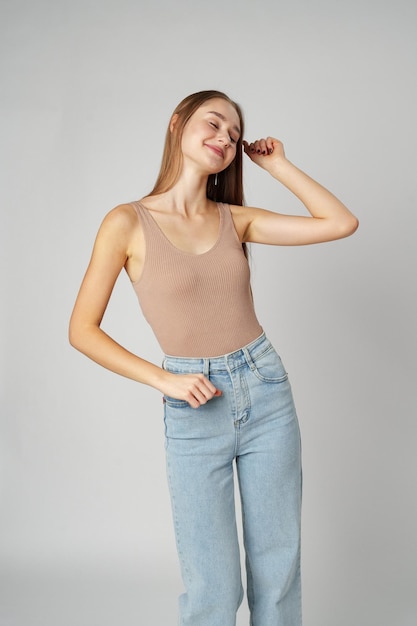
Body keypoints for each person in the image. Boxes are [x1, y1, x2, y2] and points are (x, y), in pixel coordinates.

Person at [69, 89, 358, 626]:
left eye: (233, 132)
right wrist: (165, 380)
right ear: (178, 124)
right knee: (213, 584)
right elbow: (82, 330)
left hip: (265, 388)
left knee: (278, 568)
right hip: (194, 404)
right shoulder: (126, 222)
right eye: (214, 123)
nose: (225, 137)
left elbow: (340, 223)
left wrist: (278, 164)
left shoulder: (236, 219)